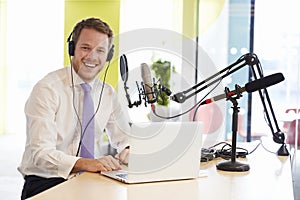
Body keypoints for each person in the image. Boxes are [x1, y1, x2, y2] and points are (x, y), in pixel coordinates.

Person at [18, 17, 130, 199]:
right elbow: (40, 153)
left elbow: (125, 138)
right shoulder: (47, 88)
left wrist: (129, 149)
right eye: (86, 48)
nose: (93, 57)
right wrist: (86, 163)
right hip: (46, 181)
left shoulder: (107, 93)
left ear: (108, 56)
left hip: (88, 179)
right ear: (73, 49)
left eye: (100, 50)